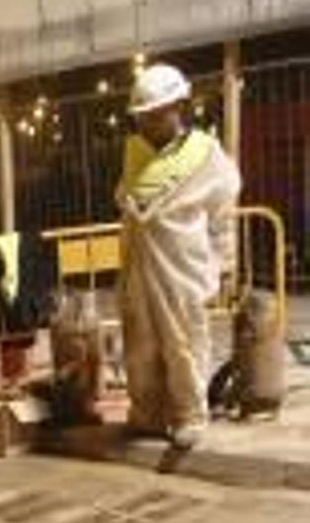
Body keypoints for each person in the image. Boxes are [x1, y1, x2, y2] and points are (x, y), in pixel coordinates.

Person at [117, 63, 241, 448]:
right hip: (138, 265)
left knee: (183, 341)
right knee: (140, 343)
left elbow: (223, 216)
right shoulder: (135, 154)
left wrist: (224, 264)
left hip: (181, 268)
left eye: (155, 116)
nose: (148, 125)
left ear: (177, 108)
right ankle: (148, 413)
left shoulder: (205, 155)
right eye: (142, 118)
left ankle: (190, 415)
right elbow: (125, 197)